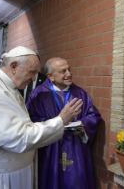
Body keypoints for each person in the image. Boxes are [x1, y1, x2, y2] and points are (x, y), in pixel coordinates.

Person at [0, 46, 83, 189]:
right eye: (31, 73)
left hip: (9, 173)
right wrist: (60, 121)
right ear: (13, 67)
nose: (33, 79)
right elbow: (19, 138)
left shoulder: (5, 86)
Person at [26, 57, 101, 189]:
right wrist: (55, 124)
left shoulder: (80, 93)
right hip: (49, 148)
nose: (69, 74)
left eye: (69, 69)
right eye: (63, 71)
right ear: (50, 76)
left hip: (75, 147)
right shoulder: (38, 95)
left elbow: (93, 115)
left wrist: (82, 125)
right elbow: (30, 119)